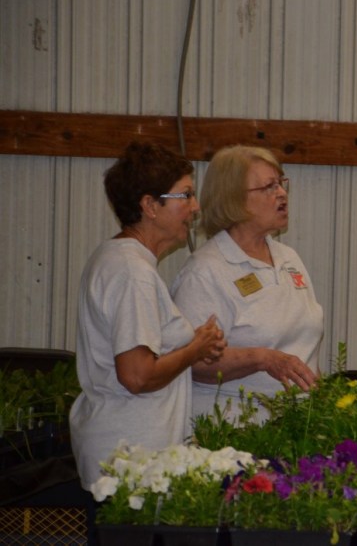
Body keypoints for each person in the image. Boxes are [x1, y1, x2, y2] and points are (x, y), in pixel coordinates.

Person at [69, 143, 227, 528]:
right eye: (185, 195)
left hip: (127, 457)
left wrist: (191, 345)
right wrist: (194, 349)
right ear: (150, 205)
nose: (195, 207)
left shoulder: (121, 260)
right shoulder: (132, 273)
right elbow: (137, 375)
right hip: (130, 462)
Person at [171, 145, 323, 422]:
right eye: (269, 187)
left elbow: (305, 346)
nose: (282, 193)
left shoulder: (289, 258)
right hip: (233, 429)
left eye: (281, 183)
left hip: (296, 424)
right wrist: (262, 359)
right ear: (234, 200)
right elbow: (191, 362)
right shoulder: (205, 272)